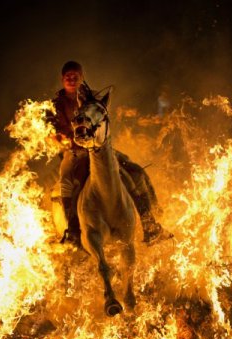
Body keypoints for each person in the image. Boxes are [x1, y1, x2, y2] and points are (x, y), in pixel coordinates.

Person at [48, 61, 172, 245]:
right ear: (62, 79)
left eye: (75, 76)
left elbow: (103, 120)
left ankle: (149, 223)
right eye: (68, 77)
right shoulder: (55, 104)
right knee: (66, 182)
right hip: (74, 153)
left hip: (98, 148)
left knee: (134, 172)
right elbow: (50, 131)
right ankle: (73, 229)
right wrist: (62, 138)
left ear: (82, 78)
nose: (72, 80)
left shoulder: (94, 98)